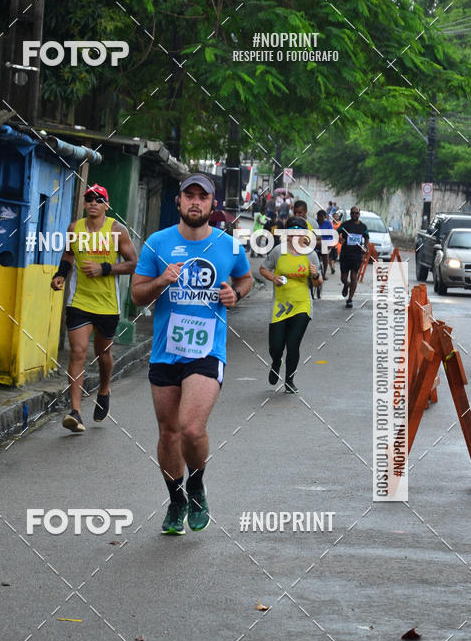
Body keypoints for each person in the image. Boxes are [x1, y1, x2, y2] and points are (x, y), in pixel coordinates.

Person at [131, 174, 253, 535]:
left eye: (203, 197)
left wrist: (237, 294)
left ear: (212, 204)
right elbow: (138, 295)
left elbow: (245, 279)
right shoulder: (157, 243)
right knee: (169, 434)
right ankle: (175, 499)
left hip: (206, 350)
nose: (195, 202)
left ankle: (196, 486)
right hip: (166, 352)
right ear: (179, 202)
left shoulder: (229, 246)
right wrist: (160, 282)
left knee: (191, 428)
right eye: (189, 196)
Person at [51, 184, 138, 432]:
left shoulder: (117, 231)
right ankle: (75, 412)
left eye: (99, 200)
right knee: (78, 352)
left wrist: (105, 269)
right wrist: (60, 275)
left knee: (103, 354)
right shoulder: (74, 228)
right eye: (89, 198)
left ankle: (103, 388)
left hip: (107, 304)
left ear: (106, 205)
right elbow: (68, 255)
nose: (93, 203)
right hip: (79, 301)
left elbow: (133, 263)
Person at [259, 216, 322, 393]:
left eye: (299, 232)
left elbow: (318, 283)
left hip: (302, 304)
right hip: (280, 305)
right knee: (276, 346)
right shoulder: (279, 251)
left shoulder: (311, 254)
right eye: (291, 232)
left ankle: (289, 380)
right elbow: (263, 268)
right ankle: (276, 362)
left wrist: (316, 275)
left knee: (293, 344)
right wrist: (273, 278)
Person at [338, 206, 369, 309]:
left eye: (356, 213)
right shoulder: (345, 224)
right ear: (350, 214)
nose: (354, 215)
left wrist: (366, 246)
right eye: (352, 213)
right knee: (343, 278)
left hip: (357, 255)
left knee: (354, 276)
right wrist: (339, 239)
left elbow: (366, 236)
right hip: (345, 254)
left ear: (359, 214)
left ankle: (350, 299)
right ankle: (346, 284)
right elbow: (337, 232)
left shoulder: (363, 226)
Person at [316, 208, 335, 282]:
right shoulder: (315, 223)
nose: (319, 218)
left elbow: (331, 235)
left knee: (325, 255)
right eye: (318, 216)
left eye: (321, 216)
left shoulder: (328, 223)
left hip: (325, 243)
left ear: (324, 217)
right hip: (316, 243)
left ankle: (324, 274)